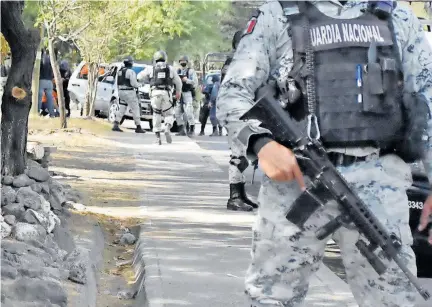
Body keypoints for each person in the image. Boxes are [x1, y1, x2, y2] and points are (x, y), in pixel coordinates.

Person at [217, 1, 432, 306]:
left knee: (397, 299)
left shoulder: (397, 16)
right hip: (296, 182)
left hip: (378, 184)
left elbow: (428, 99)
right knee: (272, 298)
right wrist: (260, 143)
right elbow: (233, 93)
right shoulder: (279, 14)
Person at [221, 30, 259, 212]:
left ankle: (241, 194)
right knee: (238, 155)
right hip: (235, 112)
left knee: (243, 153)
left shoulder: (237, 61)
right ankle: (234, 197)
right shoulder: (237, 63)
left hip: (239, 111)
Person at [138, 50, 182, 145]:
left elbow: (139, 77)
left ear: (155, 58)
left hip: (154, 93)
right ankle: (167, 127)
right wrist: (178, 92)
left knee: (156, 114)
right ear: (165, 58)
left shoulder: (151, 68)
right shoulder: (170, 69)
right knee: (169, 114)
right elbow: (178, 82)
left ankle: (158, 138)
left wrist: (142, 81)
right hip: (166, 93)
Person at [112, 56, 145, 133]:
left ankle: (116, 124)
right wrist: (140, 85)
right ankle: (138, 126)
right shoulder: (131, 72)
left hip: (121, 92)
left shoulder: (119, 71)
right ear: (131, 63)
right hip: (129, 92)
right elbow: (133, 84)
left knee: (122, 108)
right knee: (135, 108)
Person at [175, 55, 198, 136]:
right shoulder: (177, 71)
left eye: (184, 61)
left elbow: (195, 82)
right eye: (181, 61)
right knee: (177, 113)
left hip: (187, 93)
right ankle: (181, 129)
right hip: (179, 93)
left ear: (187, 62)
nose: (182, 62)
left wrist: (186, 80)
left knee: (189, 112)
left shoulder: (191, 71)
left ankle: (192, 129)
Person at [38, 49, 56, 117]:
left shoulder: (41, 59)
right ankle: (52, 114)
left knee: (39, 99)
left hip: (41, 80)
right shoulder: (50, 60)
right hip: (49, 81)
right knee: (50, 99)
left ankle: (37, 113)